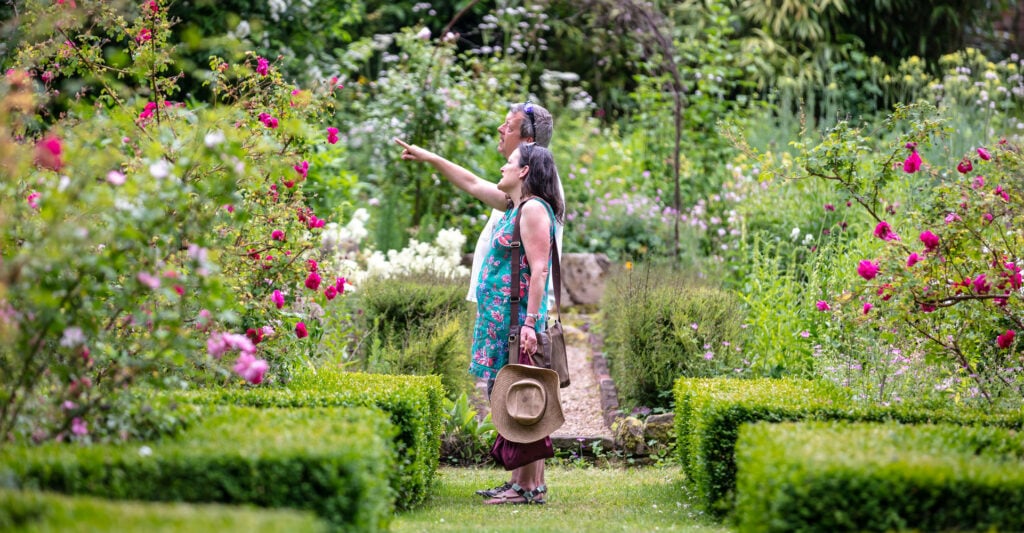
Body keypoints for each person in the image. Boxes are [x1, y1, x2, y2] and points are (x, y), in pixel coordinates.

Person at [394, 138, 564, 505]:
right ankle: (521, 484)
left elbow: (538, 272)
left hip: (516, 324)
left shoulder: (533, 209)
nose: (502, 167)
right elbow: (470, 182)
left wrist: (530, 325)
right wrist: (429, 156)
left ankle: (530, 488)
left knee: (523, 398)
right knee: (509, 397)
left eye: (510, 163)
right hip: (501, 323)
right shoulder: (513, 206)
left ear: (524, 172)